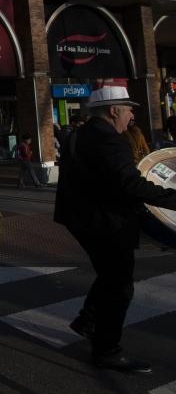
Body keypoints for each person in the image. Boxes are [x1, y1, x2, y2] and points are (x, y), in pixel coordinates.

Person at [54, 86, 176, 373]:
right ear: (113, 111)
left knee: (109, 275)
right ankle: (107, 350)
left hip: (81, 219)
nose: (132, 115)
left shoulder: (79, 134)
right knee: (119, 287)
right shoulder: (111, 141)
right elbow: (130, 184)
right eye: (129, 109)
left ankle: (89, 320)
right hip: (107, 223)